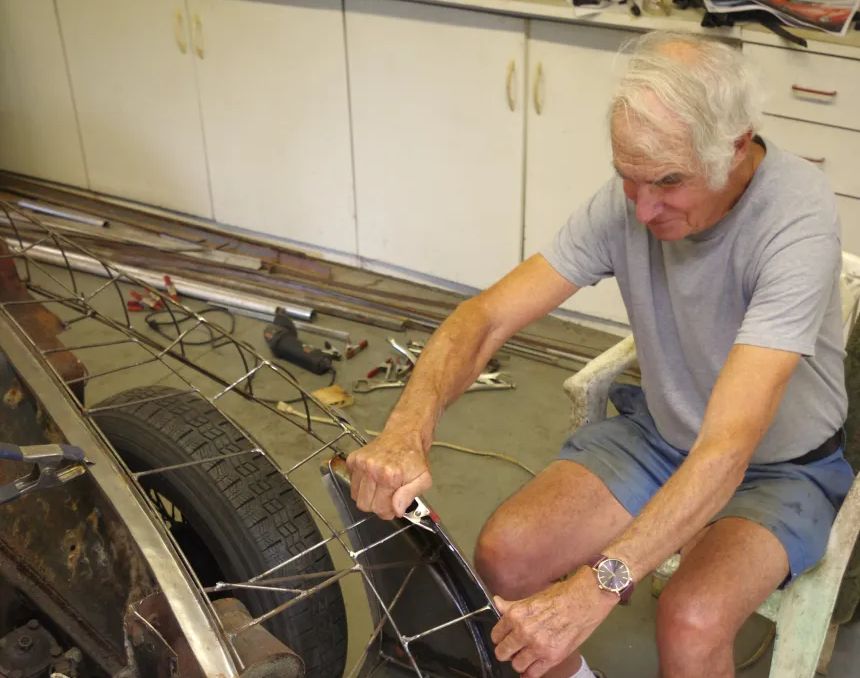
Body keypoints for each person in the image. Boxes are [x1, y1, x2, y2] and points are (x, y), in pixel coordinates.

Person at [346, 31, 854, 678]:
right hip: (666, 435)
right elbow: (486, 317)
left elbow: (728, 448)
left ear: (736, 145)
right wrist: (405, 429)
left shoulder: (796, 215)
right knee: (506, 557)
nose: (642, 210)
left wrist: (601, 581)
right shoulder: (634, 200)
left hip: (778, 466)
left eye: (668, 181)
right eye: (627, 179)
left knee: (691, 619)